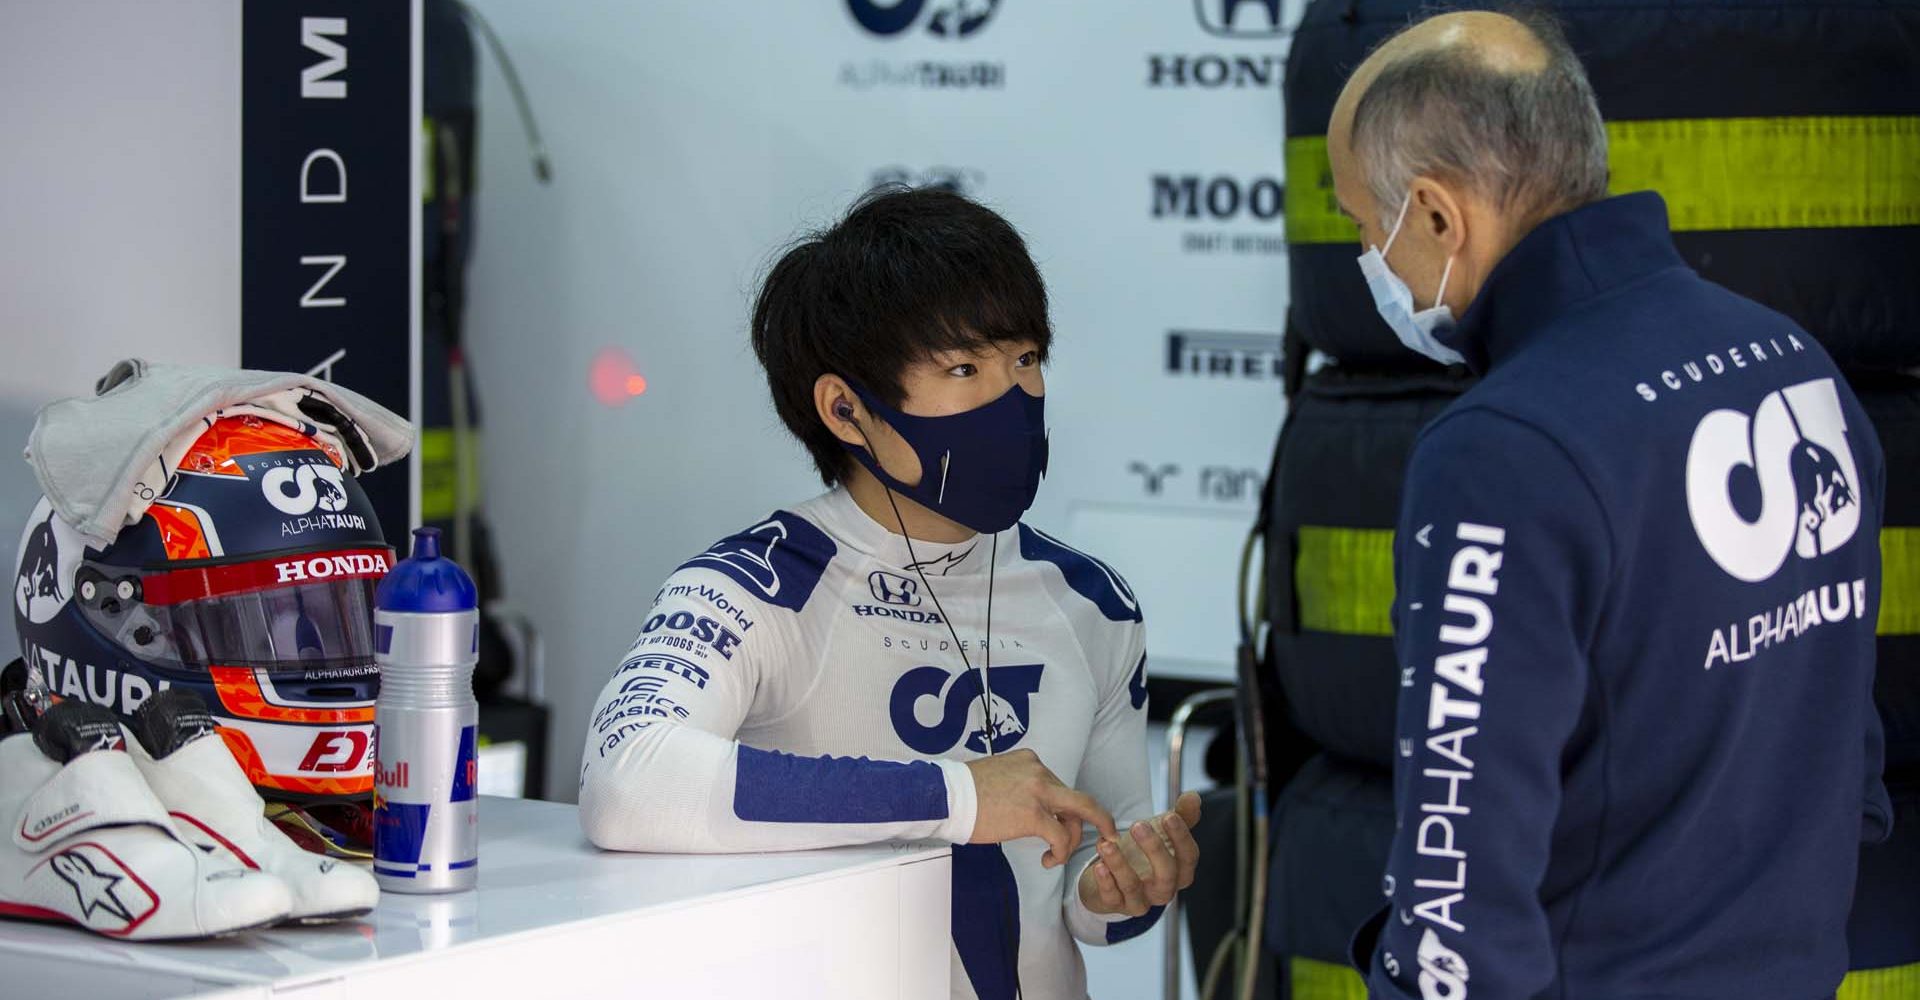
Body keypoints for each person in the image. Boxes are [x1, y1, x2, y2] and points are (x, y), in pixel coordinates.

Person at [1326, 10, 1889, 999]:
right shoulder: (1793, 362)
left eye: (1361, 228)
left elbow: (1459, 897)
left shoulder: (1502, 449)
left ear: (1436, 215)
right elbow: (1848, 758)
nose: (1369, 259)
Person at [577, 187, 1203, 1000]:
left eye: (1026, 360)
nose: (1013, 397)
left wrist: (1123, 883)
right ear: (845, 410)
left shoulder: (1092, 599)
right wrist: (959, 797)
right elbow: (627, 783)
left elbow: (1089, 882)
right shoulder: (755, 584)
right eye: (964, 369)